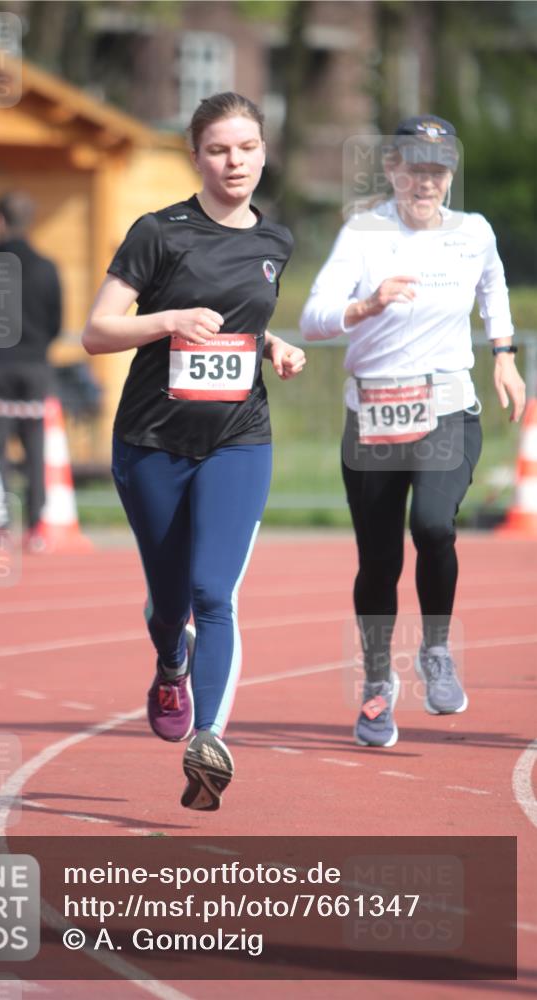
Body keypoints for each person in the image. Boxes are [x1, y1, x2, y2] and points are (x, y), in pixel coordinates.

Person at [82, 92, 306, 810]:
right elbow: (96, 331)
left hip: (238, 438)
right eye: (218, 149)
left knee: (214, 594)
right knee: (168, 601)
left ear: (263, 153)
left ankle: (208, 740)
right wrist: (168, 319)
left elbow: (244, 325)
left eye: (245, 148)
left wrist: (274, 345)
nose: (233, 161)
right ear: (197, 157)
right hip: (151, 441)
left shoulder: (275, 242)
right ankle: (167, 661)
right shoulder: (158, 232)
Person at [300, 115, 526, 748]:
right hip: (373, 416)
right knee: (378, 561)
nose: (425, 181)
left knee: (432, 523)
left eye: (437, 169)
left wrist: (503, 354)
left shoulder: (473, 232)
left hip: (447, 405)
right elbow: (313, 316)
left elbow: (493, 286)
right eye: (413, 168)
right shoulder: (364, 234)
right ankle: (377, 683)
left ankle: (434, 650)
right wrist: (366, 304)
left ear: (449, 175)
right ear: (393, 171)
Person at [0, 192, 62, 548]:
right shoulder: (47, 266)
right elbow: (57, 321)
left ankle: (0, 526)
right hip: (35, 365)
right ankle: (37, 525)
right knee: (35, 447)